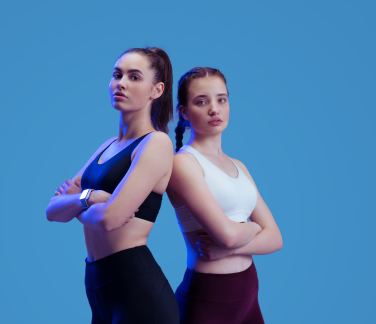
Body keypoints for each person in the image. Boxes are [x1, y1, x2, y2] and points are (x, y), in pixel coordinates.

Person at [46, 47, 179, 324]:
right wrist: (91, 196)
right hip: (97, 286)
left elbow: (110, 219)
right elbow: (51, 211)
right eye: (117, 74)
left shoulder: (156, 144)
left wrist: (76, 202)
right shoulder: (107, 145)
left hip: (137, 290)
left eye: (134, 77)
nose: (121, 82)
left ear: (156, 90)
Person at [166, 67, 283, 323]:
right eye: (201, 101)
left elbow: (275, 239)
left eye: (221, 99)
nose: (214, 109)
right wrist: (253, 227)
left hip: (249, 291)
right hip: (209, 299)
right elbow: (227, 236)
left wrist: (228, 250)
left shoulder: (239, 166)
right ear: (184, 112)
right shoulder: (183, 164)